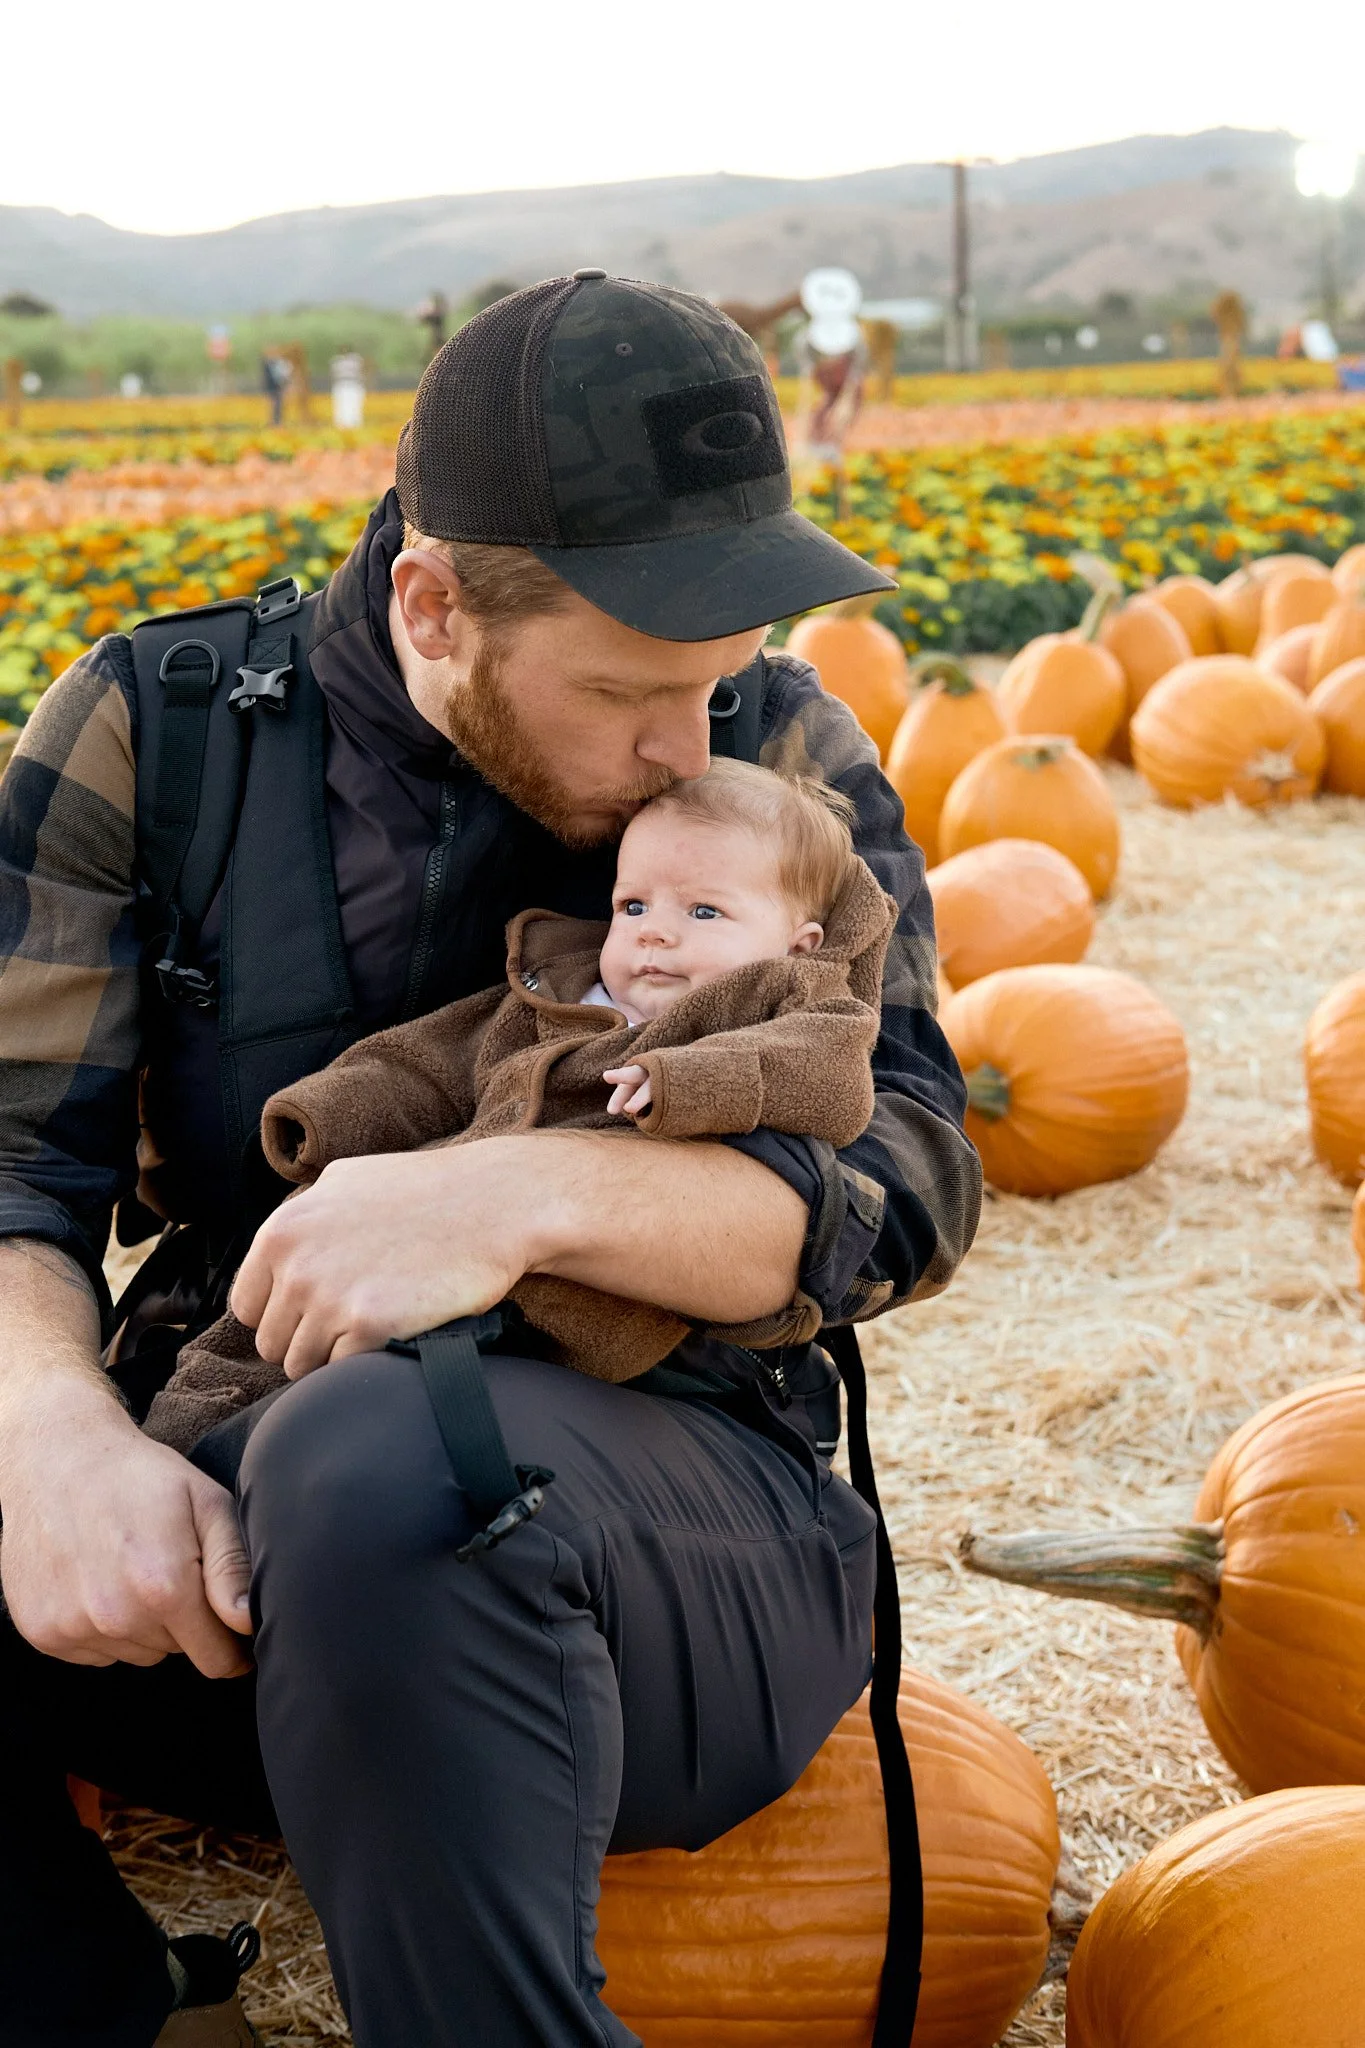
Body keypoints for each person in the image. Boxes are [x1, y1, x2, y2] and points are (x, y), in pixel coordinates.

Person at [0, 272, 981, 2047]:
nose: (689, 746)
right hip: (212, 1549)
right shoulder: (159, 728)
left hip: (655, 1565)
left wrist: (522, 1190)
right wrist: (53, 1437)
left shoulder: (779, 750)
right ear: (433, 603)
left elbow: (910, 1170)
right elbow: (11, 1160)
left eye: (718, 680)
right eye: (625, 690)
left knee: (390, 1452)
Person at [143, 759, 895, 1450]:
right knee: (247, 1340)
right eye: (633, 905)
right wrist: (329, 1113)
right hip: (433, 1215)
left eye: (704, 912)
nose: (655, 933)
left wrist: (692, 1083)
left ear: (798, 945)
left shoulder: (783, 1003)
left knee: (353, 1390)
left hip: (579, 1282)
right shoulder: (551, 990)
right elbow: (435, 1062)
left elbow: (830, 1082)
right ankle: (179, 1451)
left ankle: (267, 1456)